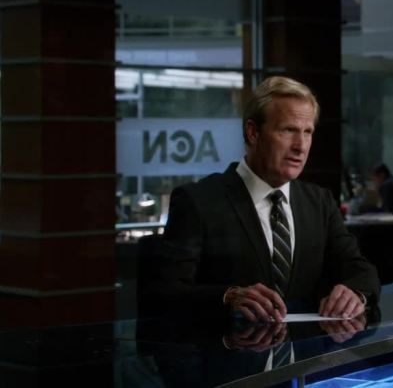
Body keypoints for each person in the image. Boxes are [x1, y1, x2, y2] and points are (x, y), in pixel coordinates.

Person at [151, 76, 380, 323]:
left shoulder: (319, 202)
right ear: (253, 132)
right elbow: (165, 292)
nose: (300, 146)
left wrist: (356, 293)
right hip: (226, 343)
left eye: (307, 132)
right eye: (288, 130)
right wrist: (227, 297)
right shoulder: (198, 201)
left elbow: (360, 270)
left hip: (306, 345)